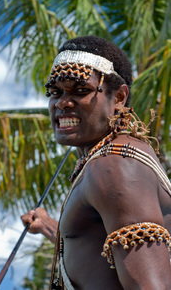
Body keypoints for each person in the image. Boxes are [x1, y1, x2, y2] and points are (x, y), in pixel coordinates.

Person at [21, 36, 171, 290]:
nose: (62, 102)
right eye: (54, 92)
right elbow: (100, 248)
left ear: (120, 98)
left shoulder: (114, 164)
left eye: (81, 90)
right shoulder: (110, 161)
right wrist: (48, 227)